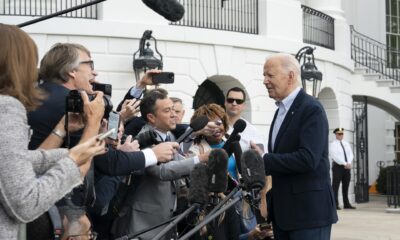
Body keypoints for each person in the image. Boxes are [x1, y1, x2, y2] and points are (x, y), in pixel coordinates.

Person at [0, 23, 106, 240]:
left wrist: (61, 135)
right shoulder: (7, 107)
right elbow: (25, 203)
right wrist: (77, 153)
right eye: (30, 60)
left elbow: (12, 161)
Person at [252, 53, 338, 240]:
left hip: (308, 215)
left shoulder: (311, 108)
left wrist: (264, 160)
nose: (265, 81)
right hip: (285, 216)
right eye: (264, 75)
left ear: (290, 76)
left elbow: (308, 159)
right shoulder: (280, 111)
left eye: (270, 75)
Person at [111, 88, 208, 240]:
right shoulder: (142, 139)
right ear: (151, 117)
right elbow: (162, 171)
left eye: (174, 110)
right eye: (167, 111)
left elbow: (179, 163)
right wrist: (200, 159)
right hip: (142, 226)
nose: (174, 115)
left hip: (165, 224)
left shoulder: (169, 135)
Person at [225, 87, 264, 151]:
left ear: (244, 105)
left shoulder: (253, 131)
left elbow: (259, 156)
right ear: (225, 102)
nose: (234, 103)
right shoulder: (215, 125)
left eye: (239, 101)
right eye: (230, 100)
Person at [329, 128, 356, 210]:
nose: (341, 135)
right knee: (335, 186)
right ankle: (335, 204)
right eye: (339, 134)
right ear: (336, 135)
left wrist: (349, 163)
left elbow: (350, 154)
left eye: (342, 134)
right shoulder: (333, 144)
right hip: (338, 167)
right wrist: (345, 163)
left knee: (346, 186)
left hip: (347, 167)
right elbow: (335, 156)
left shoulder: (346, 143)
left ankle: (346, 204)